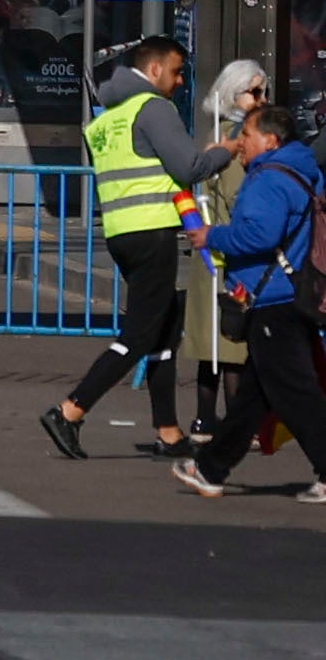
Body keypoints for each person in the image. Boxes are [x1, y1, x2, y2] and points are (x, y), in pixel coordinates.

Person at [46, 35, 202, 459]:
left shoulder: (106, 118)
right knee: (139, 335)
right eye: (176, 71)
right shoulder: (154, 109)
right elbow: (188, 165)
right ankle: (71, 409)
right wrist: (229, 148)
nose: (180, 81)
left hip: (122, 232)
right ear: (154, 71)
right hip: (152, 232)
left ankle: (168, 431)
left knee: (166, 331)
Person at [174, 96, 326, 501]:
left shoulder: (268, 179)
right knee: (255, 399)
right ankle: (210, 468)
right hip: (293, 293)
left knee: (296, 395)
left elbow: (259, 236)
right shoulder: (303, 171)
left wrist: (213, 236)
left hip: (274, 297)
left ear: (271, 140)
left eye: (247, 134)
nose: (241, 142)